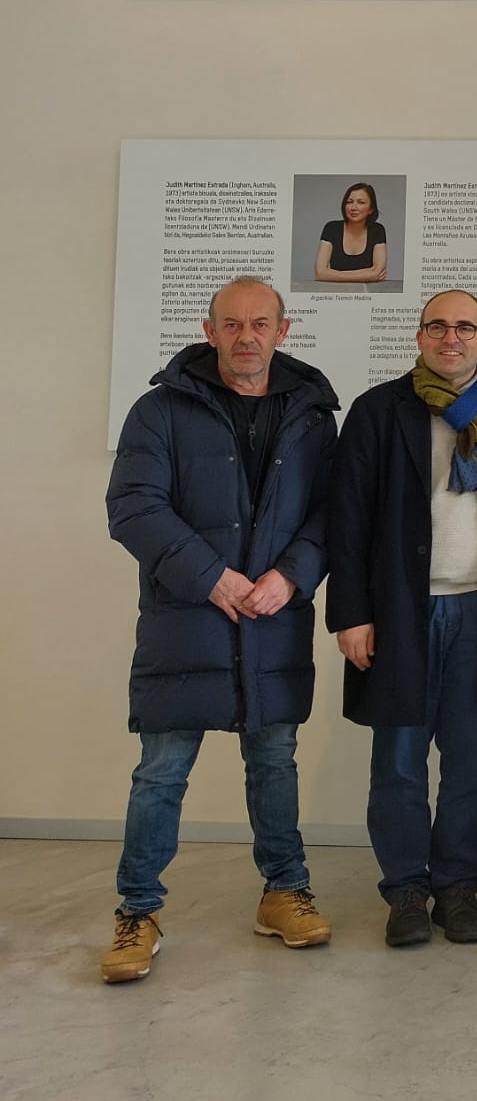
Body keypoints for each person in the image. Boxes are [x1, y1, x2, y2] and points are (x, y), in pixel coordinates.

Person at [101, 278, 339, 982]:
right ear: (209, 330)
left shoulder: (312, 416)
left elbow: (331, 513)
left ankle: (284, 891)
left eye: (259, 323)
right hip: (187, 622)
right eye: (232, 324)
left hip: (275, 619)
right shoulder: (159, 410)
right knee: (161, 772)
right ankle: (137, 911)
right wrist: (213, 577)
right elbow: (133, 507)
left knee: (274, 762)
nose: (246, 337)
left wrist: (291, 576)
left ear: (283, 329)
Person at [326, 289, 477, 948]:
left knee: (475, 760)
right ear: (419, 337)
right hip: (399, 615)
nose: (452, 337)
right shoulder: (378, 412)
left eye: (466, 327)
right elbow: (348, 522)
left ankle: (458, 888)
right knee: (399, 762)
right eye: (438, 326)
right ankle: (407, 892)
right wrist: (352, 614)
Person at [314, 182, 388, 285]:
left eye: (361, 202)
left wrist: (332, 275)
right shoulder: (331, 228)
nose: (353, 207)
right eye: (349, 202)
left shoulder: (377, 230)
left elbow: (378, 271)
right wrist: (368, 275)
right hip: (335, 294)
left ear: (371, 209)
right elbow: (320, 273)